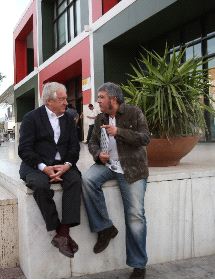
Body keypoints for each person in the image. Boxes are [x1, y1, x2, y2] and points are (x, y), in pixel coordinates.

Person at [82, 82, 150, 279]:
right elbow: (93, 142)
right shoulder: (100, 119)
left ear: (113, 99)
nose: (98, 101)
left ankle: (138, 265)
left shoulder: (134, 113)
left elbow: (145, 138)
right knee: (87, 180)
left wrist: (118, 132)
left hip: (131, 169)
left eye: (101, 97)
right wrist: (98, 155)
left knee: (135, 216)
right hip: (108, 166)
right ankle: (105, 227)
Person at [18, 82, 82, 258]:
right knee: (39, 185)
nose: (66, 103)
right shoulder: (31, 118)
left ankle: (63, 232)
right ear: (48, 101)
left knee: (75, 181)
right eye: (61, 99)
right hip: (36, 165)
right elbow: (24, 149)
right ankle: (57, 228)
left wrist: (67, 164)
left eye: (65, 98)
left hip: (63, 165)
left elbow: (74, 148)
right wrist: (44, 168)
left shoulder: (68, 118)